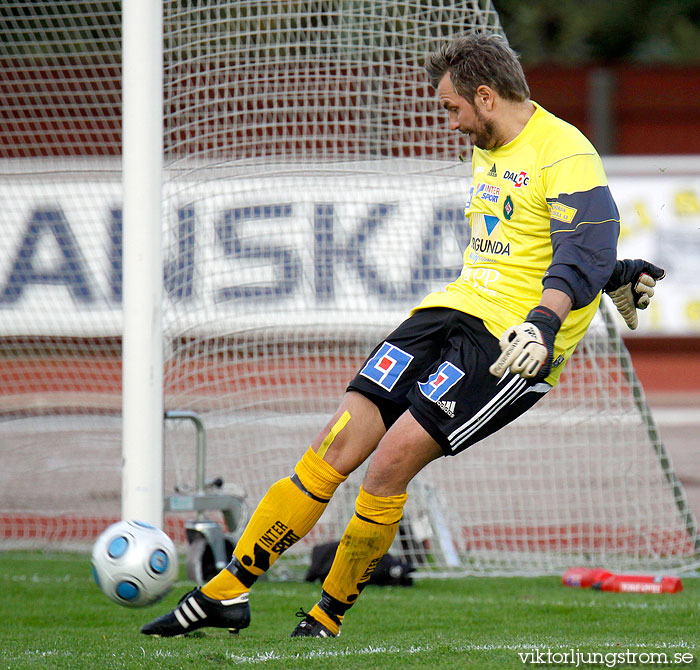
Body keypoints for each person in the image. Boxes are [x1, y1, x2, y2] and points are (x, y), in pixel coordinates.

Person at [141, 32, 664, 639]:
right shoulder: (492, 142)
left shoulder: (566, 152)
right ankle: (224, 593)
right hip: (450, 309)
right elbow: (540, 240)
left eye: (452, 108)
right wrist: (619, 274)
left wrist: (549, 321)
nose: (450, 123)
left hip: (511, 348)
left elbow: (582, 249)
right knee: (335, 445)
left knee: (387, 467)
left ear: (487, 96)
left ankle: (325, 616)